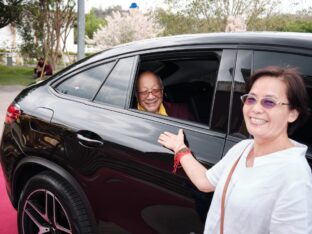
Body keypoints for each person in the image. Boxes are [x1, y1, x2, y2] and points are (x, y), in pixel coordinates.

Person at [158, 66, 312, 234]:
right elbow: (205, 183)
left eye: (269, 102)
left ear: (293, 113)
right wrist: (180, 148)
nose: (256, 109)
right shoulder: (243, 148)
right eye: (251, 99)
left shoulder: (295, 177)